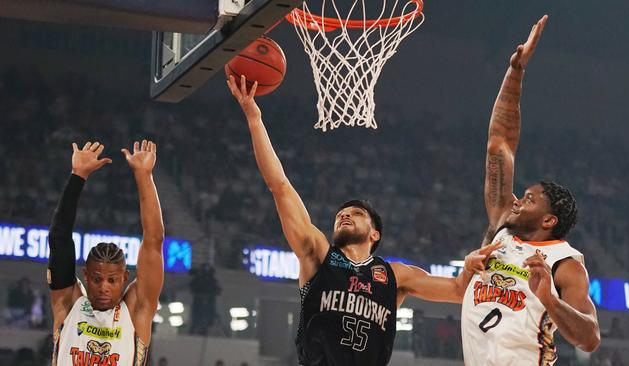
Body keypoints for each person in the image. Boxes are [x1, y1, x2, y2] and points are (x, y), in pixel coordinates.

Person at [227, 75, 499, 366]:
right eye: (340, 214)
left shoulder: (396, 276)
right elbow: (279, 186)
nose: (344, 215)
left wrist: (470, 268)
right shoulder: (318, 255)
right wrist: (255, 119)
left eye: (356, 214)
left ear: (374, 234)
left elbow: (459, 291)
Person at [460, 15, 600, 365]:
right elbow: (500, 144)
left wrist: (551, 300)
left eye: (531, 198)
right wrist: (516, 71)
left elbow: (590, 339)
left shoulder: (566, 265)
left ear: (550, 219)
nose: (520, 199)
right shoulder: (502, 224)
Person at [48, 140, 164, 365]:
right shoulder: (68, 304)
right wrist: (77, 176)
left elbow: (154, 241)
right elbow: (58, 238)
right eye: (97, 279)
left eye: (112, 280)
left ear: (124, 278)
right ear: (86, 275)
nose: (104, 287)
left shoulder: (135, 310)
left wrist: (144, 176)